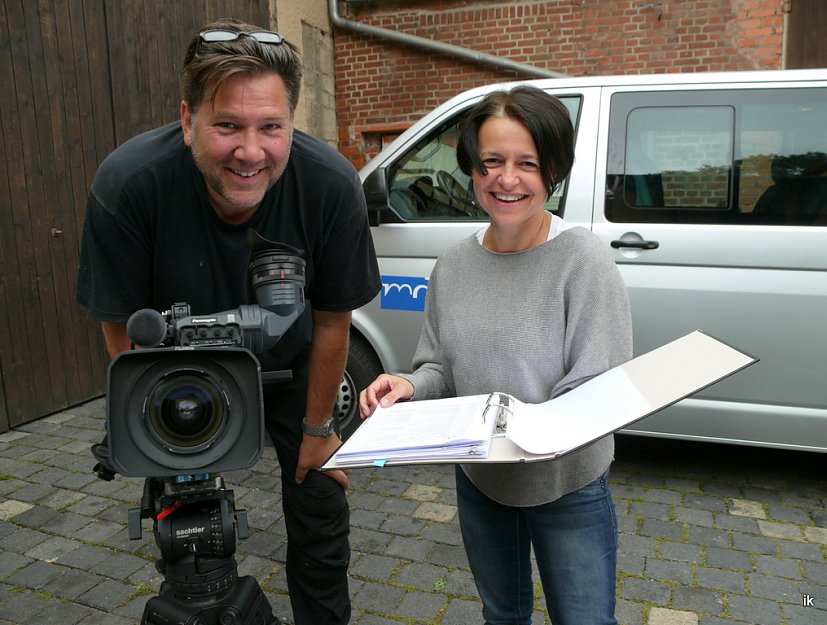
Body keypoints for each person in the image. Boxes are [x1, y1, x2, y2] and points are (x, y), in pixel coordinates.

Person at [76, 18, 381, 625]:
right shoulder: (129, 183)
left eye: (271, 127)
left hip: (295, 368)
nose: (250, 151)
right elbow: (117, 324)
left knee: (321, 506)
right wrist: (157, 429)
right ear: (188, 120)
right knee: (186, 528)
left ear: (292, 122)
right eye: (226, 126)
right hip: (177, 367)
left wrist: (320, 429)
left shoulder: (329, 185)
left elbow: (332, 319)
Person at [359, 86, 632, 625]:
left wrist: (528, 429)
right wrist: (408, 386)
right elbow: (439, 366)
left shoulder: (584, 262)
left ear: (552, 171)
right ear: (471, 169)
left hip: (567, 486)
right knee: (501, 616)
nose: (507, 179)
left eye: (527, 163)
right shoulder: (453, 266)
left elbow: (597, 390)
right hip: (482, 480)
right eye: (492, 162)